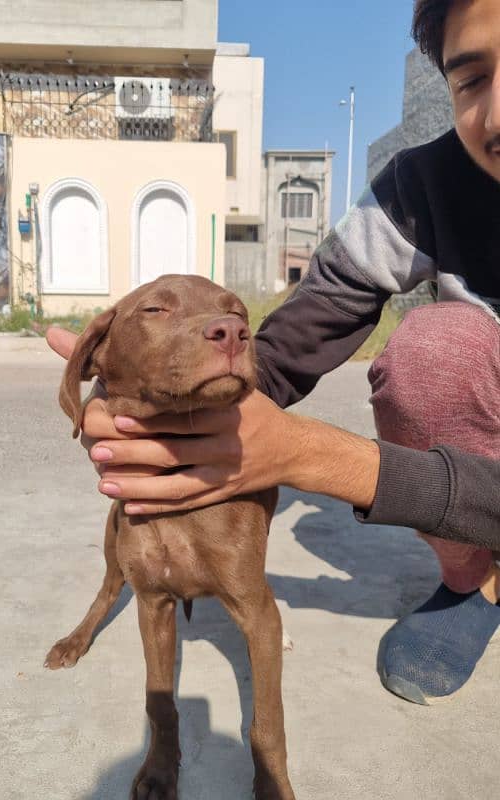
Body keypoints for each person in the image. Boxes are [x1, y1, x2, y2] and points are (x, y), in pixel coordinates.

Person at [48, 0, 500, 706]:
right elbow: (297, 339)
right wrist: (183, 397)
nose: (497, 116)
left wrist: (310, 456)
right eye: (473, 80)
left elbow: (307, 456)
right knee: (435, 350)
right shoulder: (425, 186)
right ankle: (478, 575)